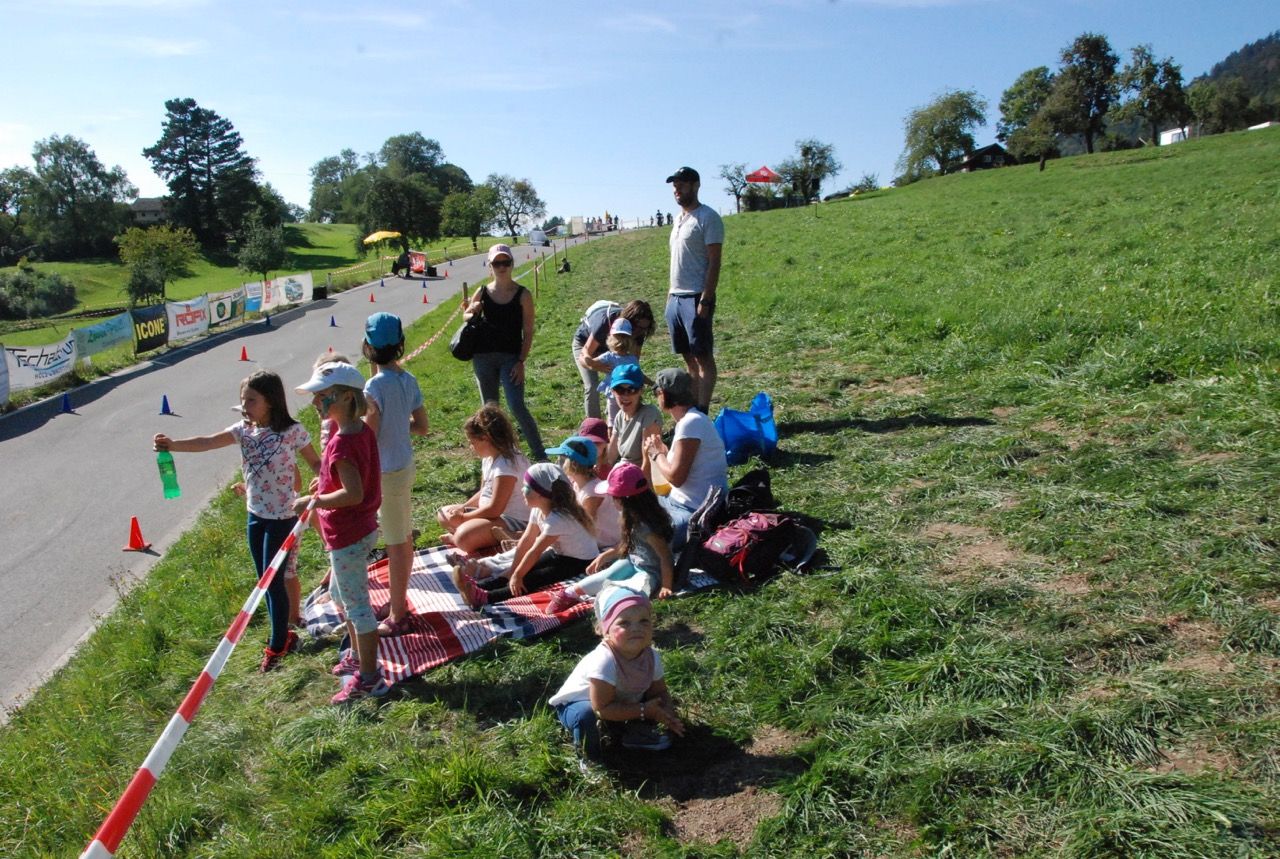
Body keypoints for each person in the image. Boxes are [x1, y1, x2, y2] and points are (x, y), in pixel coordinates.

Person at [154, 371, 321, 672]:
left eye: (251, 400)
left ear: (271, 401)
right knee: (264, 582)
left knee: (273, 582)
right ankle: (283, 634)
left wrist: (328, 480)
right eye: (243, 400)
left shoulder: (292, 431)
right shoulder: (243, 431)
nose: (245, 406)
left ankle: (278, 644)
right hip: (255, 517)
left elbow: (316, 462)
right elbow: (207, 442)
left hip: (283, 518)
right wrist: (173, 445)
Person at [293, 362, 386, 703]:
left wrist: (314, 500)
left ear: (346, 397)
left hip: (348, 535)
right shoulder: (360, 431)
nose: (315, 403)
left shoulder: (343, 443)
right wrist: (324, 485)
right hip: (358, 529)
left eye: (322, 396)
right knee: (340, 594)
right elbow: (350, 481)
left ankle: (370, 678)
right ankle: (356, 654)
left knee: (358, 608)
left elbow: (353, 493)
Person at [548, 588, 684, 760]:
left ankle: (633, 734)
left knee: (652, 702)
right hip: (581, 705)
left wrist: (668, 714)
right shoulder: (605, 661)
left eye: (644, 621)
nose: (636, 628)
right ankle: (590, 757)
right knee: (585, 715)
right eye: (624, 623)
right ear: (605, 630)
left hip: (618, 700)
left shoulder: (651, 657)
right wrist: (644, 711)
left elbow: (660, 692)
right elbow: (601, 709)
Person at [362, 313, 429, 637]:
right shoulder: (408, 380)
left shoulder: (373, 387)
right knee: (403, 536)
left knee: (395, 543)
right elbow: (422, 426)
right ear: (401, 344)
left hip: (385, 472)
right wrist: (400, 425)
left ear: (367, 347)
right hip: (405, 466)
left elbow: (370, 434)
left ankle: (398, 614)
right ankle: (398, 602)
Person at [452, 463, 598, 607]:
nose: (522, 490)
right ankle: (480, 586)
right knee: (517, 569)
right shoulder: (538, 509)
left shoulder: (557, 519)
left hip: (580, 561)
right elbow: (526, 540)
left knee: (532, 577)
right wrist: (513, 570)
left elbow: (535, 551)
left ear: (541, 494)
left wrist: (518, 576)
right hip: (560, 553)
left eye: (527, 487)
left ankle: (485, 597)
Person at [545, 463, 675, 614]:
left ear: (623, 500)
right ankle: (570, 593)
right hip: (632, 561)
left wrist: (666, 586)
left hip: (651, 571)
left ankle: (614, 597)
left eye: (613, 497)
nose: (612, 501)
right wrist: (605, 556)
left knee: (632, 592)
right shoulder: (629, 516)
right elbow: (628, 544)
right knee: (607, 575)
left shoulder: (646, 527)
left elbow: (665, 557)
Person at [465, 243, 546, 461]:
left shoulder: (523, 294)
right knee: (490, 410)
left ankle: (540, 455)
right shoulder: (482, 292)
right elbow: (466, 316)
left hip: (510, 358)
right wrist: (472, 311)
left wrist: (521, 361)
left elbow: (528, 331)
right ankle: (499, 455)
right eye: (497, 263)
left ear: (512, 264)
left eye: (506, 262)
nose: (501, 267)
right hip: (483, 357)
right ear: (490, 266)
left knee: (516, 405)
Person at [644, 368, 728, 551]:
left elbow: (676, 478)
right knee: (629, 514)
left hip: (693, 511)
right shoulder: (690, 421)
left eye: (656, 392)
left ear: (663, 394)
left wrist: (657, 454)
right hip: (674, 501)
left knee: (647, 539)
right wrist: (660, 455)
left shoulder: (691, 423)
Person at [664, 166, 724, 415]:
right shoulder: (678, 220)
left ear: (696, 185)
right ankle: (693, 410)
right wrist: (670, 296)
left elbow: (714, 261)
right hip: (676, 298)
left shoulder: (708, 217)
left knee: (702, 357)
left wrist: (706, 298)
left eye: (682, 184)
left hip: (696, 296)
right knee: (688, 356)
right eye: (675, 185)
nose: (677, 189)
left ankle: (703, 410)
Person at [436, 404, 531, 554]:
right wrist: (462, 507)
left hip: (512, 519)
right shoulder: (488, 458)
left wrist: (463, 518)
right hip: (489, 514)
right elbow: (484, 491)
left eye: (472, 442)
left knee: (463, 538)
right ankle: (477, 532)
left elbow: (495, 509)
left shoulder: (506, 466)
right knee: (443, 513)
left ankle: (460, 537)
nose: (471, 447)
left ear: (485, 439)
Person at [570, 299, 654, 419]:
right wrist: (597, 366)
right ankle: (594, 424)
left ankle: (616, 415)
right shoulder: (604, 323)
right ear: (630, 321)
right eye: (639, 328)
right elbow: (585, 356)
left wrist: (649, 384)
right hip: (585, 345)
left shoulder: (638, 333)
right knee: (592, 385)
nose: (641, 332)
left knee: (624, 379)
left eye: (645, 328)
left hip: (612, 347)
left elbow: (633, 369)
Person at [547, 435, 621, 550]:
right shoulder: (576, 482)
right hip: (591, 540)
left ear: (573, 464)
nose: (558, 463)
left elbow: (584, 529)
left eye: (562, 459)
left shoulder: (592, 493)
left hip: (605, 545)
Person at [579, 318, 651, 424]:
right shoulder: (621, 357)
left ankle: (619, 431)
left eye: (622, 338)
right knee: (621, 419)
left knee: (620, 419)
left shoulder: (620, 357)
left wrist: (586, 353)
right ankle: (618, 432)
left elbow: (590, 363)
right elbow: (591, 363)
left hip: (622, 393)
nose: (621, 342)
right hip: (623, 393)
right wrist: (652, 383)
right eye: (620, 338)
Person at [602, 364, 662, 482]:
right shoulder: (620, 416)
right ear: (612, 391)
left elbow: (649, 460)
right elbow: (611, 454)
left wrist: (638, 487)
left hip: (641, 479)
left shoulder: (649, 414)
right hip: (624, 474)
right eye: (620, 390)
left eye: (632, 390)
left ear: (641, 391)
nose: (625, 396)